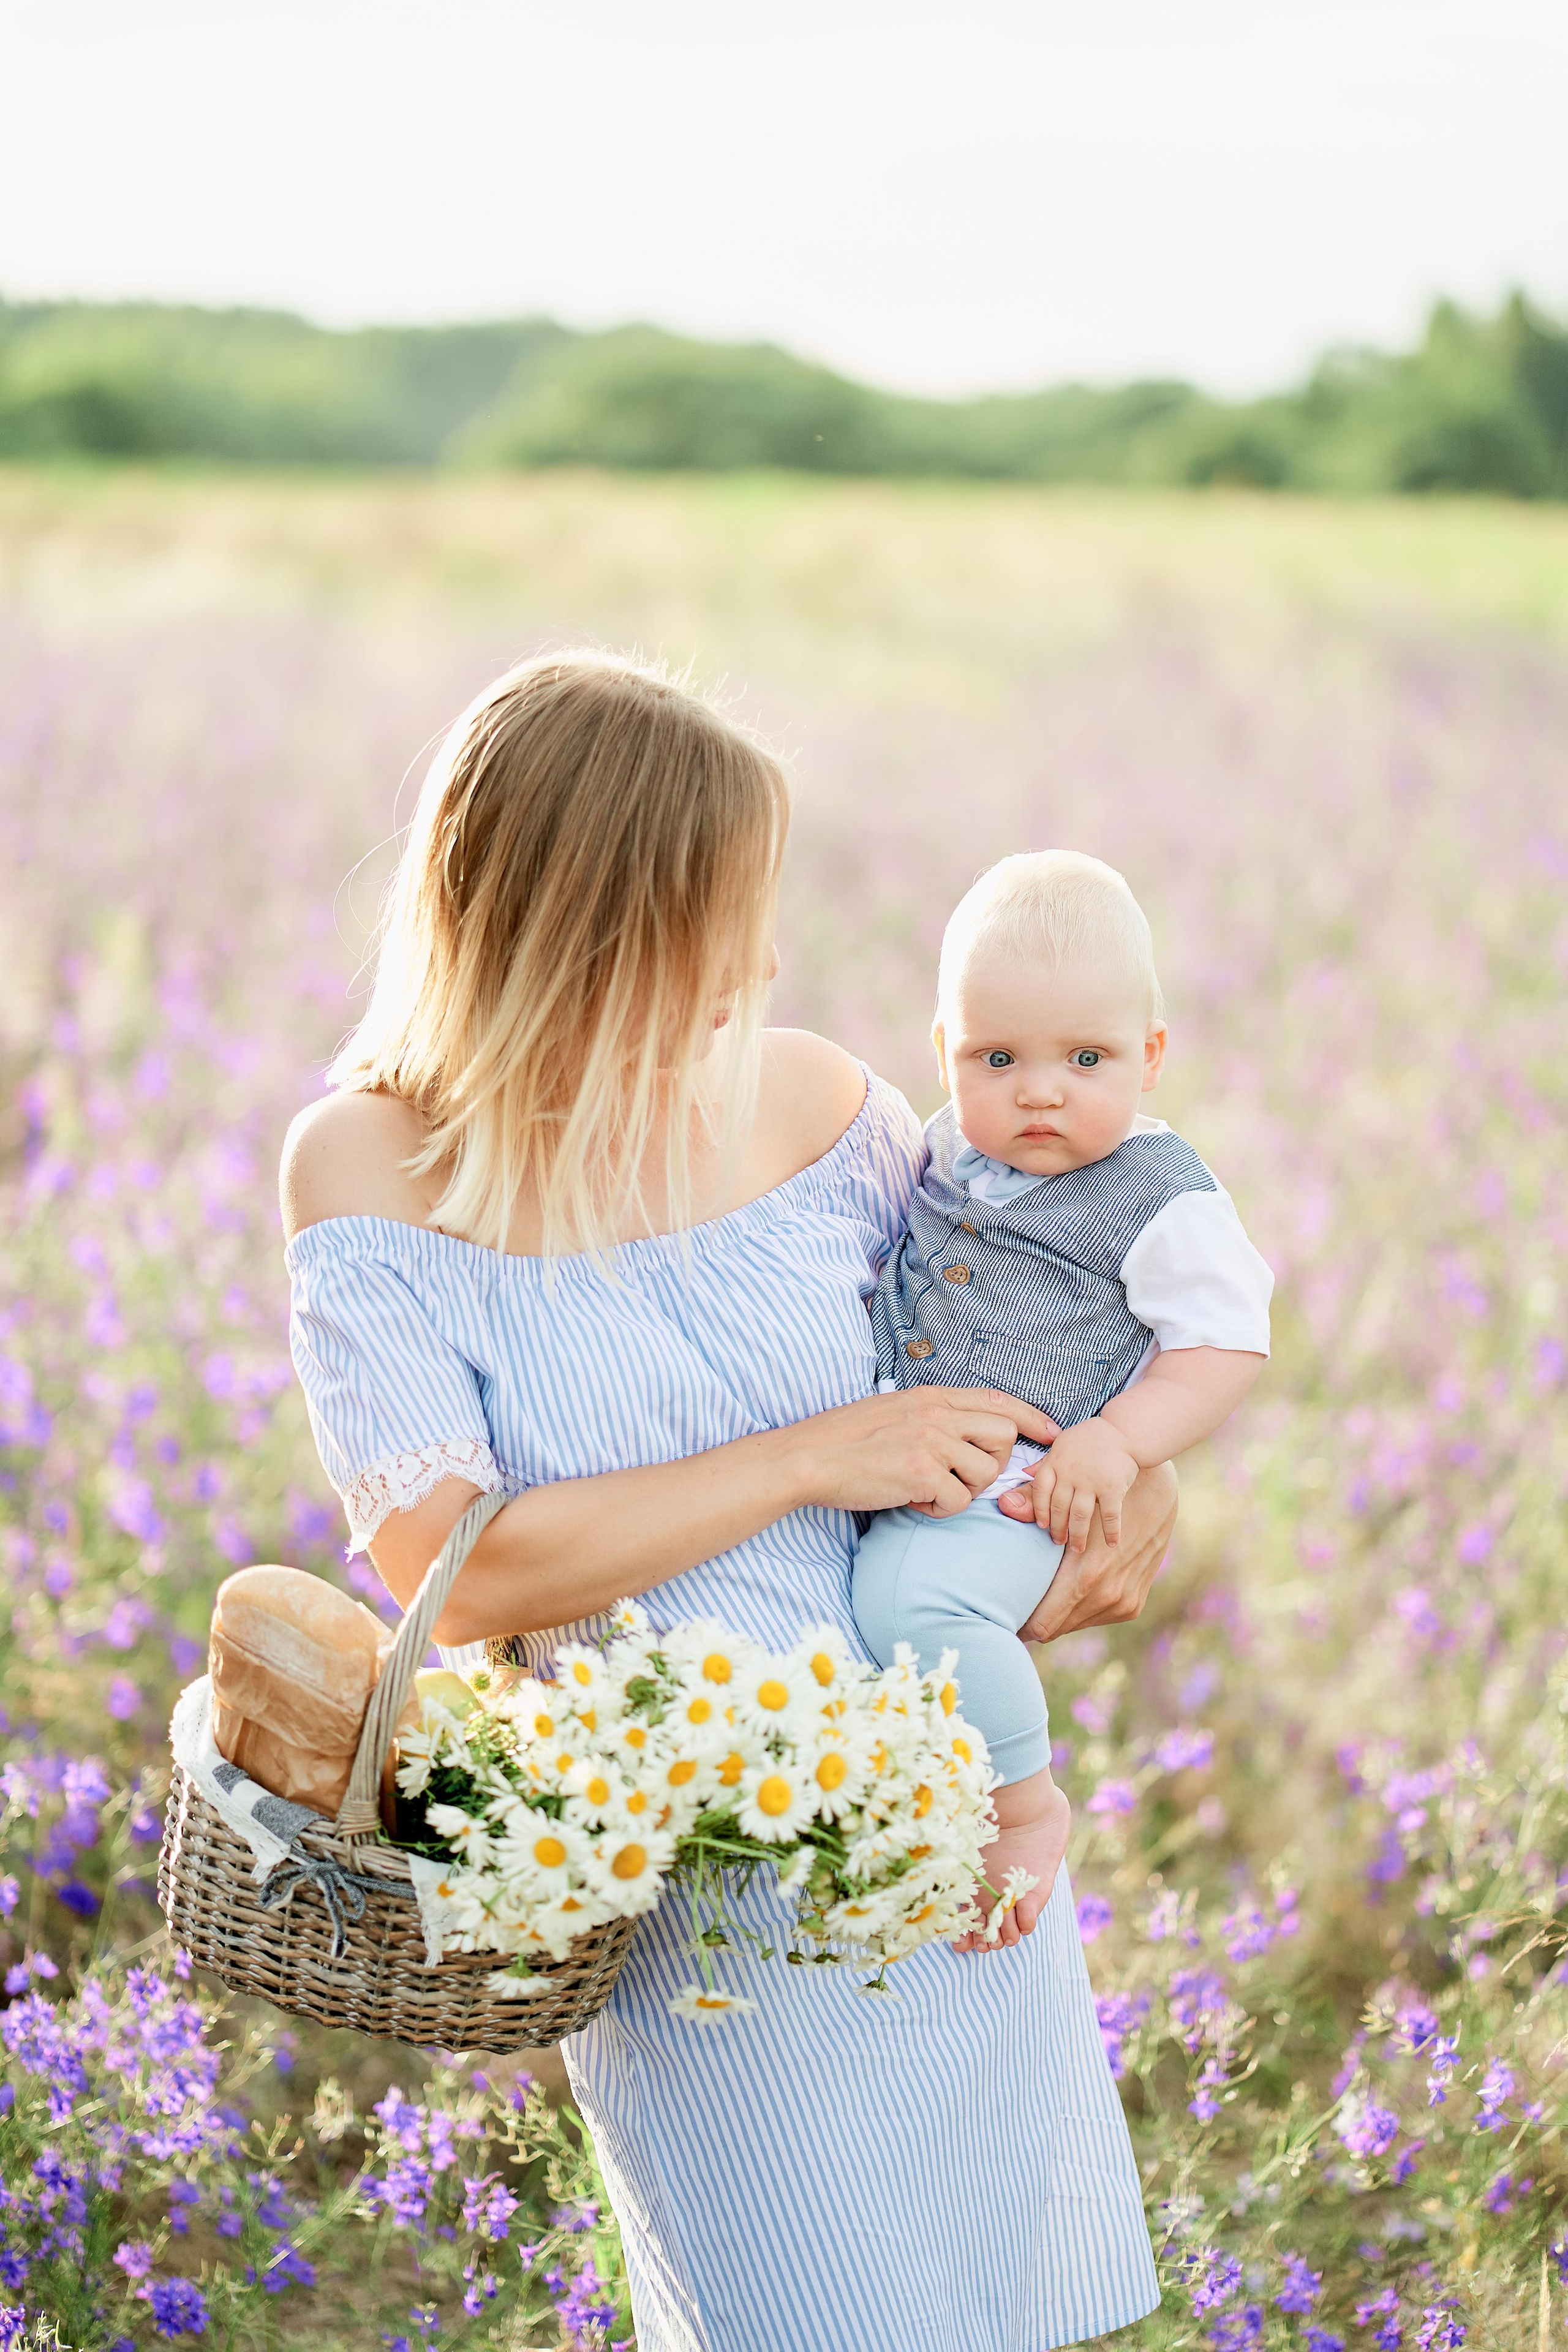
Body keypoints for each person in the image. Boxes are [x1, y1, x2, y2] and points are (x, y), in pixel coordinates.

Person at [281, 653, 1172, 2351]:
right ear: (590, 920)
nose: (765, 961)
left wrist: (1136, 1479)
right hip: (696, 1886)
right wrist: (815, 1456)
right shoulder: (369, 1167)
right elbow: (454, 1569)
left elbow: (1018, 1355)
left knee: (1030, 2309)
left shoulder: (828, 1101)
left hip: (944, 1823)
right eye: (723, 915)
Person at [854, 851, 1272, 1951]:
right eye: (998, 1058)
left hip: (1027, 1485)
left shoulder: (1160, 1192)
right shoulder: (941, 1145)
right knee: (864, 1621)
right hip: (900, 1455)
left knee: (917, 1610)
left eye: (1087, 1058)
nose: (1041, 1090)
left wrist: (1120, 1445)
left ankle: (1023, 1808)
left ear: (1152, 1056)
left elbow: (1226, 1341)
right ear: (943, 1053)